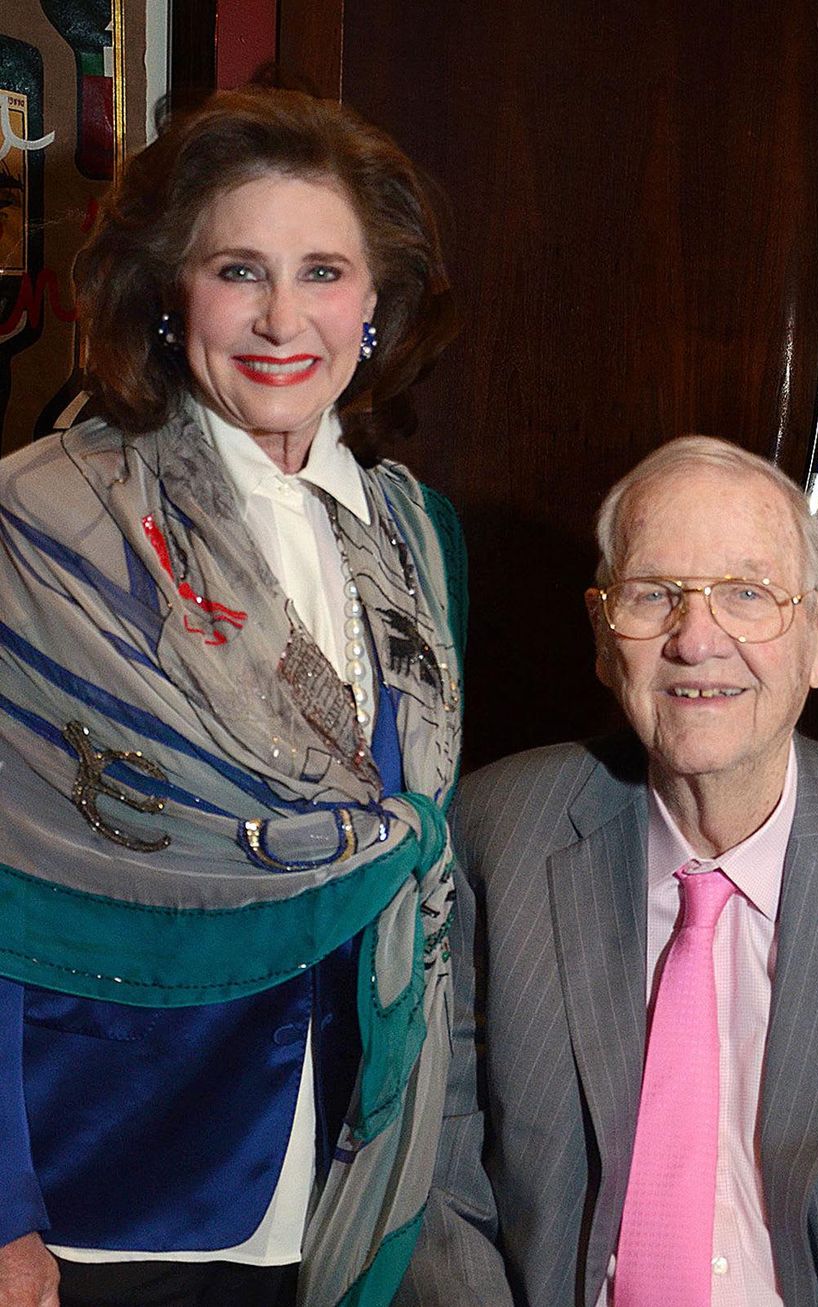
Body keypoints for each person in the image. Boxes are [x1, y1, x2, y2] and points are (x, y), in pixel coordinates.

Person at [0, 83, 464, 1307]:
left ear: (377, 304)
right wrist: (1, 1215)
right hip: (106, 1180)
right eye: (236, 270)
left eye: (322, 272)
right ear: (170, 292)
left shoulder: (419, 540)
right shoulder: (43, 525)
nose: (279, 318)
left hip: (354, 1150)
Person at [396, 436, 818, 1307]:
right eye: (655, 595)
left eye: (747, 594)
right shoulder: (492, 834)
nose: (697, 639)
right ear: (603, 635)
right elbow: (433, 1186)